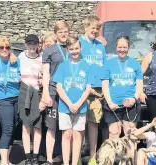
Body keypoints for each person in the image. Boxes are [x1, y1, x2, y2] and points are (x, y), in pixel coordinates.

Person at [54, 36, 93, 165]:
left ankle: (75, 162)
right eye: (71, 49)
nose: (74, 51)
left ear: (80, 48)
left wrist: (78, 104)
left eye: (76, 48)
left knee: (77, 137)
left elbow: (88, 88)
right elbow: (59, 87)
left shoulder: (86, 65)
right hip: (65, 107)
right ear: (67, 50)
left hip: (80, 107)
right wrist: (70, 104)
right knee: (66, 136)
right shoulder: (63, 66)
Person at [40, 20, 72, 165]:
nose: (63, 35)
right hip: (53, 91)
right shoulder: (49, 50)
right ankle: (48, 158)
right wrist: (46, 93)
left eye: (65, 32)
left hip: (70, 92)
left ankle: (65, 156)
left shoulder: (73, 48)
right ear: (56, 34)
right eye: (60, 32)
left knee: (67, 127)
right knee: (51, 126)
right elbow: (46, 73)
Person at [101, 36, 143, 139]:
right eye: (120, 47)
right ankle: (114, 155)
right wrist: (110, 103)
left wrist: (134, 98)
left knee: (130, 134)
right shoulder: (109, 63)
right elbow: (105, 86)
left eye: (125, 47)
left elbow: (139, 84)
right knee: (114, 133)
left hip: (130, 105)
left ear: (129, 48)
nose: (122, 50)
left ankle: (130, 156)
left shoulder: (135, 63)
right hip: (113, 104)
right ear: (116, 47)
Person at [0, 37, 22, 165]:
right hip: (2, 99)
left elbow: (22, 75)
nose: (4, 49)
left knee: (13, 127)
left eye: (7, 47)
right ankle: (4, 161)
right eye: (1, 47)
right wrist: (15, 79)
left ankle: (7, 159)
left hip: (16, 97)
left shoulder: (16, 61)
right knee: (7, 128)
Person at [79, 17, 106, 162]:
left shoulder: (101, 45)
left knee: (93, 123)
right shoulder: (79, 42)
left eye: (97, 29)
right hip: (81, 88)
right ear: (86, 27)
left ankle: (92, 156)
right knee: (79, 123)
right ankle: (77, 155)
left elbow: (104, 66)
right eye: (92, 28)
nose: (95, 31)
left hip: (97, 89)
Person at [18, 34, 44, 164]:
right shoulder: (20, 57)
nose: (32, 46)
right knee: (26, 126)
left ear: (38, 44)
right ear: (25, 45)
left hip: (38, 93)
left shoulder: (42, 58)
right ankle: (28, 157)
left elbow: (45, 76)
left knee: (37, 127)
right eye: (29, 44)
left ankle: (35, 156)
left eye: (34, 44)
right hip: (24, 92)